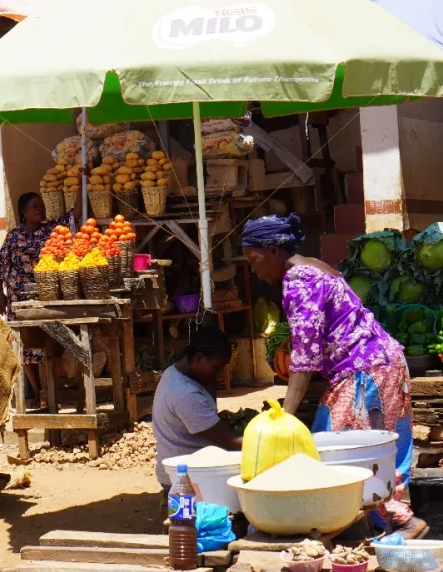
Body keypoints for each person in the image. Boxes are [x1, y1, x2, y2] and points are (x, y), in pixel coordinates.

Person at [240, 213, 427, 539]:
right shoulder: (315, 265)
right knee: (381, 451)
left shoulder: (299, 281)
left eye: (254, 260)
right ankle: (387, 525)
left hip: (364, 373)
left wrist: (284, 416)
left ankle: (397, 521)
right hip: (388, 363)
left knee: (331, 451)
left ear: (273, 250)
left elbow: (305, 355)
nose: (254, 271)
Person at [0, 192, 74, 400]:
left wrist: (83, 180)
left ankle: (51, 388)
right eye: (34, 206)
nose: (40, 209)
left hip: (46, 295)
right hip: (19, 299)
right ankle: (38, 391)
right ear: (23, 211)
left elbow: (75, 214)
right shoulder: (13, 236)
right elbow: (0, 266)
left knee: (49, 341)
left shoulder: (51, 230)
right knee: (27, 345)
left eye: (41, 205)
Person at [153, 325, 241, 501]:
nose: (218, 375)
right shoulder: (185, 393)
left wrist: (213, 418)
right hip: (184, 480)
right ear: (199, 358)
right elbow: (232, 442)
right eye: (216, 368)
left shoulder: (174, 373)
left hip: (183, 470)